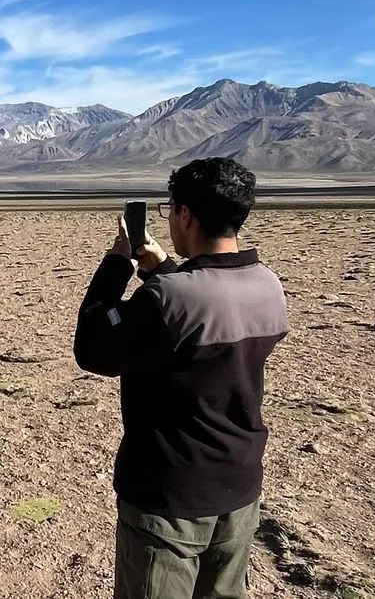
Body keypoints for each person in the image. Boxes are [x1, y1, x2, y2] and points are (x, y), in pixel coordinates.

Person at [73, 157, 289, 599]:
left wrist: (119, 261)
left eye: (170, 208)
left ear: (185, 214)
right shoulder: (268, 284)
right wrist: (164, 267)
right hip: (239, 489)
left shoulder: (168, 299)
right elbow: (204, 315)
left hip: (170, 499)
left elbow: (92, 348)